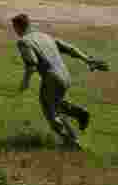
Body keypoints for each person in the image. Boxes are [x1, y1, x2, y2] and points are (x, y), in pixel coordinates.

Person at [11, 14, 109, 150]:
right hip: (66, 76)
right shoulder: (44, 36)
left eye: (14, 28)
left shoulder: (24, 42)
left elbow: (32, 64)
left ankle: (71, 142)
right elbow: (70, 48)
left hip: (52, 79)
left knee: (50, 111)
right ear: (29, 24)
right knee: (55, 104)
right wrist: (88, 60)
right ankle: (79, 115)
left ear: (17, 27)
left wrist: (25, 81)